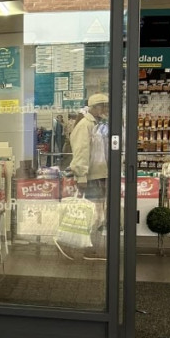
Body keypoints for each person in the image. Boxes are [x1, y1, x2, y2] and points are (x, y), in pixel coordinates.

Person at [59, 93, 109, 261]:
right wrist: (81, 176)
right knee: (90, 213)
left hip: (99, 175)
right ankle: (72, 244)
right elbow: (81, 152)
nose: (105, 109)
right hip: (91, 176)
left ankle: (89, 247)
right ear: (94, 107)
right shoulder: (85, 125)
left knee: (96, 213)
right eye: (103, 106)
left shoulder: (97, 124)